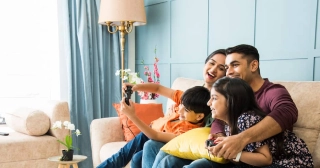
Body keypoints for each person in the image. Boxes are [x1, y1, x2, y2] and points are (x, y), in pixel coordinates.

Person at [152, 44, 299, 168]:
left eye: (234, 65)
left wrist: (242, 139)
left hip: (259, 157)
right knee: (162, 153)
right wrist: (221, 137)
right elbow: (220, 120)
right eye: (227, 67)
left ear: (253, 65)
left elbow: (287, 112)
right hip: (232, 154)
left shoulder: (272, 92)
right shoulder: (230, 94)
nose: (228, 72)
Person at [205, 77, 313, 167]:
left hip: (292, 161)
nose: (208, 103)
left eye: (214, 98)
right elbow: (241, 159)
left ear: (232, 101)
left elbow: (266, 159)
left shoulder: (246, 119)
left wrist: (235, 153)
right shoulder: (228, 126)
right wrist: (222, 149)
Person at [96, 85, 211, 168]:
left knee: (122, 156)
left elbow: (155, 136)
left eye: (185, 110)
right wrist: (135, 87)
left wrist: (132, 116)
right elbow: (158, 89)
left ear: (199, 116)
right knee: (133, 157)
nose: (179, 109)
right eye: (180, 104)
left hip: (153, 136)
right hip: (150, 132)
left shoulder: (187, 132)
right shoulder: (188, 99)